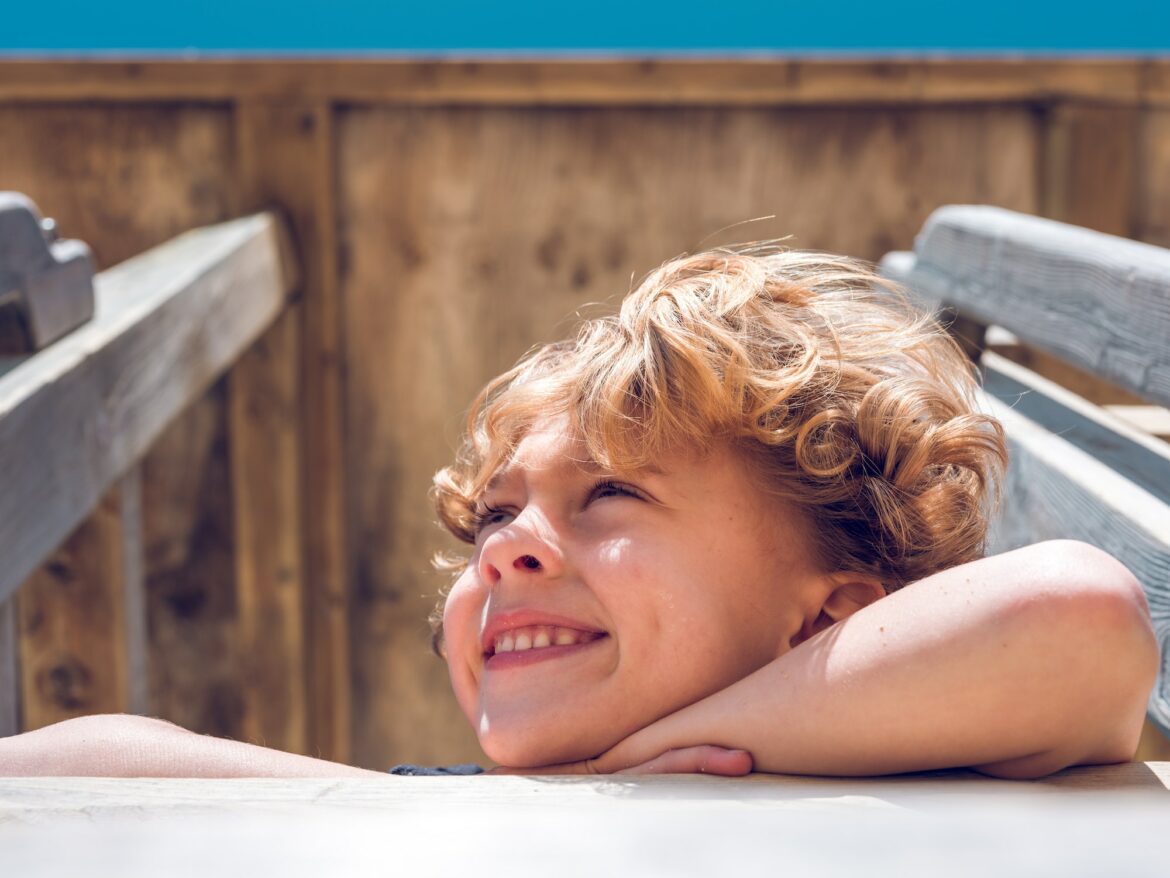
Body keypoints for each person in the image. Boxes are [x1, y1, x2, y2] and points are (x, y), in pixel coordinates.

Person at [0, 246, 1157, 779]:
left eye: (610, 493)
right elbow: (90, 757)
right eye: (494, 514)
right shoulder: (434, 821)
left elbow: (1080, 614)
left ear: (832, 612)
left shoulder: (934, 759)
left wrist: (641, 758)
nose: (506, 545)